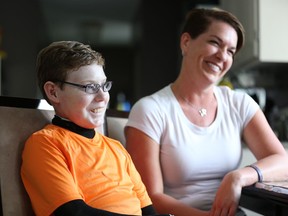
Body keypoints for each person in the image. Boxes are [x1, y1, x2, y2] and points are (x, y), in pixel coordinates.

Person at [125, 8, 288, 216]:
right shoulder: (150, 110)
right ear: (186, 42)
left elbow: (282, 160)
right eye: (214, 42)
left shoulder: (238, 103)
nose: (222, 56)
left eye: (230, 51)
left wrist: (238, 177)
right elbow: (149, 197)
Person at [21, 41, 171, 216]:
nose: (102, 97)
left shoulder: (116, 149)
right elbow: (73, 213)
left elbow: (148, 212)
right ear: (54, 92)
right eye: (90, 87)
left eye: (104, 85)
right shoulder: (45, 143)